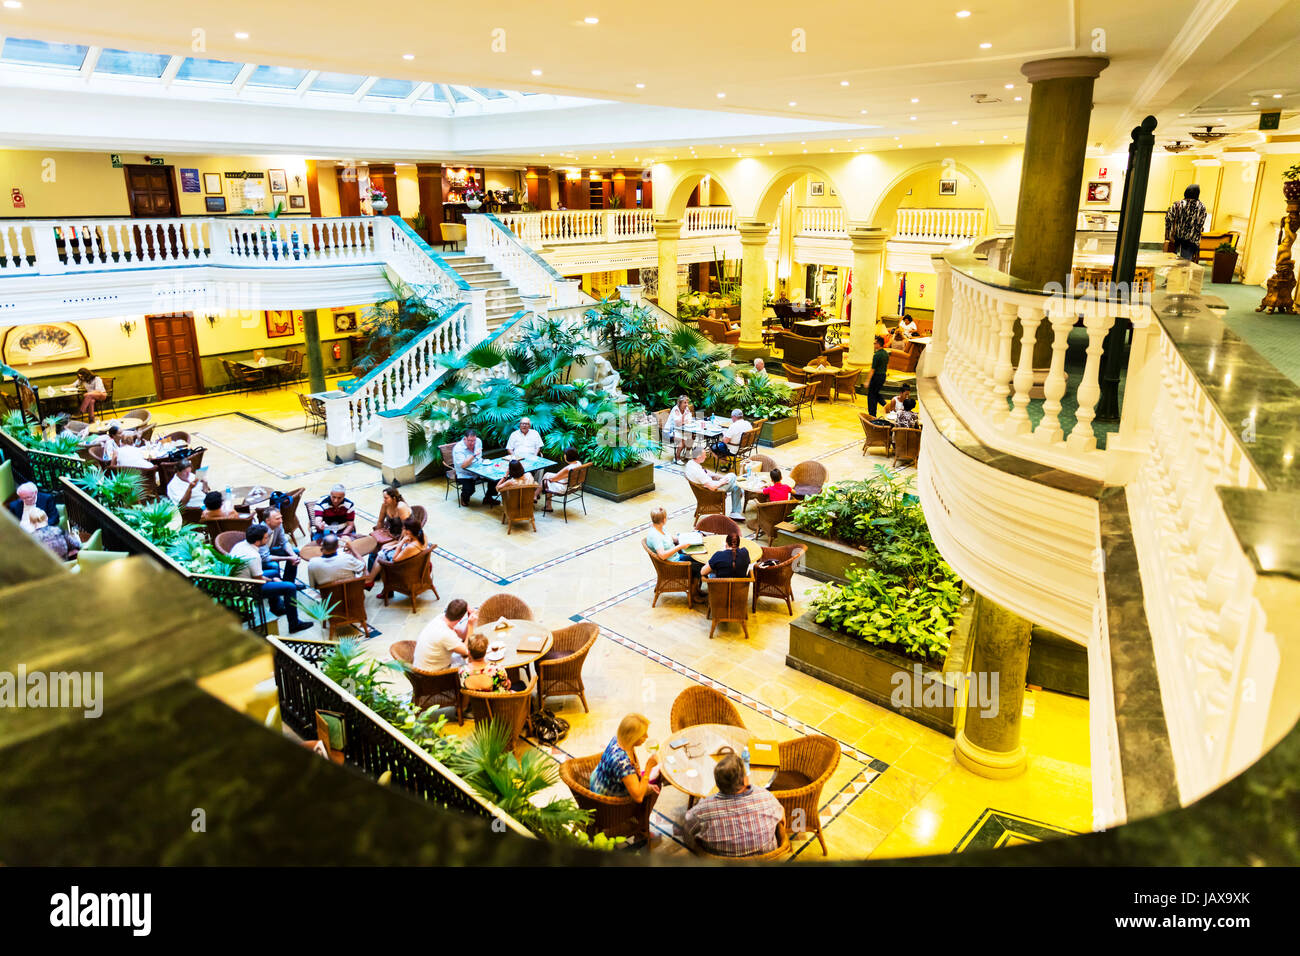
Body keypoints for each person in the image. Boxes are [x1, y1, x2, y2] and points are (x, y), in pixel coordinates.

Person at [682, 752, 785, 857]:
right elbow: (782, 819)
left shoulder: (703, 809)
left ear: (717, 784)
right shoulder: (766, 797)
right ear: (745, 780)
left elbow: (687, 830)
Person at [588, 713, 660, 847]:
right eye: (643, 735)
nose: (647, 737)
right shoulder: (623, 763)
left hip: (599, 783)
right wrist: (648, 768)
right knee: (655, 788)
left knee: (651, 784)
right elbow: (638, 796)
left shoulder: (618, 740)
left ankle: (642, 826)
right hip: (609, 805)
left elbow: (632, 771)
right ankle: (641, 827)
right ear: (632, 737)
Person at [230, 523, 312, 634]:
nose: (268, 539)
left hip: (242, 579)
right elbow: (259, 580)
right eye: (265, 537)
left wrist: (273, 578)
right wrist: (273, 580)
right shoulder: (253, 556)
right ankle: (294, 624)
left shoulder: (240, 545)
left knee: (273, 572)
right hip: (248, 588)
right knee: (290, 587)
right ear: (257, 541)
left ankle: (276, 607)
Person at [645, 505, 702, 596]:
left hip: (676, 557)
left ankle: (696, 589)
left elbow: (673, 539)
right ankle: (694, 593)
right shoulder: (655, 536)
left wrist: (691, 536)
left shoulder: (660, 528)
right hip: (672, 565)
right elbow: (662, 555)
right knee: (699, 566)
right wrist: (679, 547)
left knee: (698, 558)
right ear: (663, 520)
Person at [412, 597, 474, 672]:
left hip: (421, 667)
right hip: (433, 674)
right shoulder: (446, 634)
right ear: (460, 619)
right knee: (471, 665)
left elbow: (463, 635)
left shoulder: (440, 618)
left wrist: (469, 618)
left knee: (458, 654)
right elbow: (467, 651)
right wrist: (471, 625)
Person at [364, 517, 424, 591]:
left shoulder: (411, 546)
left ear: (409, 531)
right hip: (411, 560)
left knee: (381, 555)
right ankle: (372, 578)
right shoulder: (420, 536)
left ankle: (371, 579)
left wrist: (400, 543)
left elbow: (395, 559)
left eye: (404, 528)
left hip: (404, 566)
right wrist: (395, 545)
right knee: (384, 547)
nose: (402, 529)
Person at [685, 446, 745, 519]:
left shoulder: (691, 463)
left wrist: (718, 476)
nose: (706, 457)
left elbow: (705, 471)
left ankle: (735, 512)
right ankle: (741, 494)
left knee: (736, 486)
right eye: (704, 455)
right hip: (712, 493)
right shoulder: (698, 472)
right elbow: (713, 487)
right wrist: (722, 481)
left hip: (705, 489)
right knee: (732, 475)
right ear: (698, 457)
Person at [452, 429, 497, 507]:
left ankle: (488, 497)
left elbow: (480, 457)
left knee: (495, 478)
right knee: (470, 489)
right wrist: (474, 455)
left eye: (474, 440)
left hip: (479, 469)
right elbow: (463, 465)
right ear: (464, 439)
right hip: (465, 473)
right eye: (470, 441)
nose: (472, 443)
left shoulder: (478, 441)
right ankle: (464, 497)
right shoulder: (458, 448)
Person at [1165, 184, 1208, 262]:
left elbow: (1168, 219)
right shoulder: (1202, 207)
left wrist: (1167, 235)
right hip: (1191, 240)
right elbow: (1200, 224)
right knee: (1185, 264)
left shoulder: (1177, 204)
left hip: (1175, 237)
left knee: (1170, 261)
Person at [260, 507, 300, 583]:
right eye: (277, 519)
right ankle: (279, 586)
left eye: (281, 518)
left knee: (295, 551)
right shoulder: (261, 531)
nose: (281, 521)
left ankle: (289, 582)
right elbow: (265, 557)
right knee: (274, 565)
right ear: (268, 521)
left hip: (269, 551)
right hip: (260, 558)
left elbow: (284, 542)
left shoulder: (278, 525)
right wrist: (289, 558)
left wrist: (293, 555)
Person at [538, 446, 582, 512]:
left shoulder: (568, 468)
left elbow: (553, 479)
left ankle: (547, 505)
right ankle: (536, 495)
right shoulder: (578, 463)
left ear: (566, 457)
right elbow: (563, 476)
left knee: (546, 481)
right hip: (574, 486)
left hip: (564, 488)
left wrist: (550, 479)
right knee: (547, 474)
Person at [664, 395, 694, 461]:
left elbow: (689, 419)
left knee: (691, 438)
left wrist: (683, 420)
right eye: (685, 402)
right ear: (679, 403)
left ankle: (687, 454)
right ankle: (677, 458)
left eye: (687, 402)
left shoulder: (686, 409)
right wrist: (684, 420)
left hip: (681, 429)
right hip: (670, 431)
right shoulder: (675, 409)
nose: (687, 404)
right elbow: (677, 423)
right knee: (682, 440)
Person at [867, 334, 890, 416]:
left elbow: (872, 370)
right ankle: (887, 407)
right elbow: (887, 365)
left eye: (875, 343)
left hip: (876, 377)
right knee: (876, 394)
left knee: (871, 396)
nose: (873, 345)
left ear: (878, 344)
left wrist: (867, 381)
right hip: (882, 376)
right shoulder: (885, 353)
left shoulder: (876, 355)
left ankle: (872, 414)